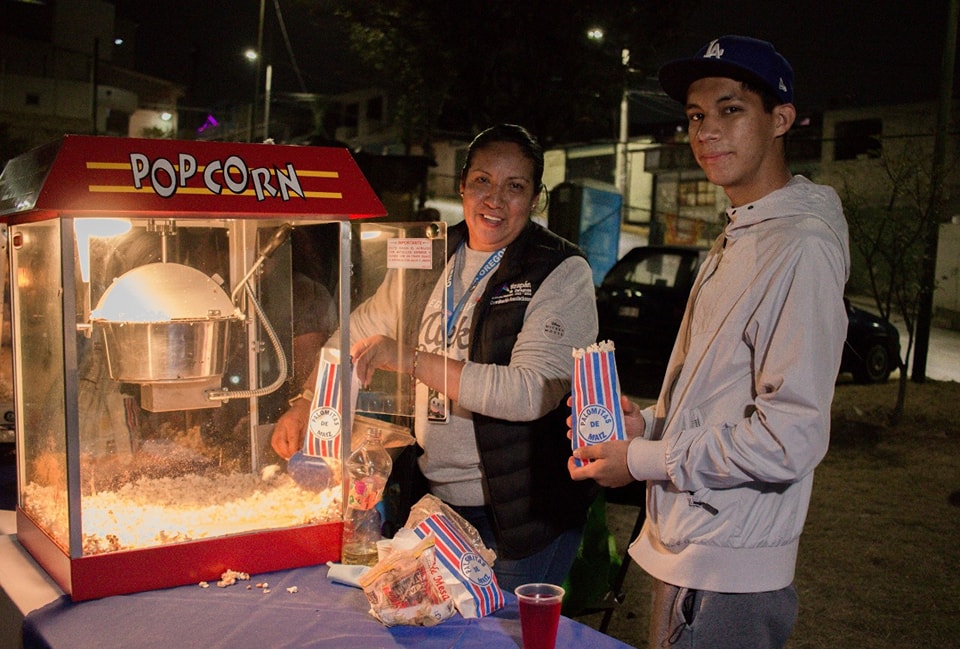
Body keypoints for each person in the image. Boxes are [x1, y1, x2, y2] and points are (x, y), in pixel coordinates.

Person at [568, 35, 850, 648]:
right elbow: (717, 396)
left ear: (780, 119)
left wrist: (642, 461)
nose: (706, 132)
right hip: (691, 549)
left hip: (731, 569)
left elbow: (790, 435)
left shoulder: (799, 246)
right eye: (696, 116)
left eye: (730, 110)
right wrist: (645, 428)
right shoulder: (740, 233)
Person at [273, 124, 599, 591]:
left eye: (515, 187)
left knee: (500, 639)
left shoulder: (560, 270)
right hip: (435, 502)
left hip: (522, 515)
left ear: (535, 198)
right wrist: (308, 399)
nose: (494, 200)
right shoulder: (430, 252)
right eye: (483, 181)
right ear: (461, 184)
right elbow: (356, 333)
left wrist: (410, 360)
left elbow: (530, 393)